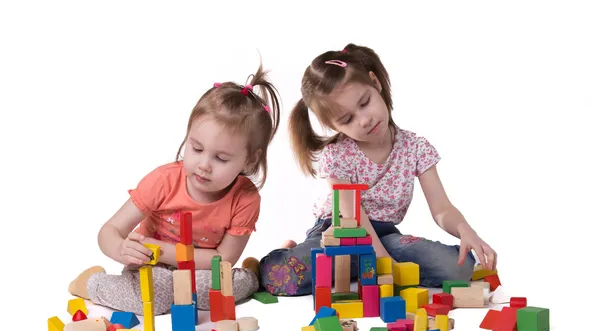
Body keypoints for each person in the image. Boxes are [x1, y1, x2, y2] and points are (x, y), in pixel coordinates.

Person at [258, 43, 496, 297]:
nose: (364, 119)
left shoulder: (416, 147)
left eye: (364, 102)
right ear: (332, 125)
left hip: (385, 237)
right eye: (347, 119)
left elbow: (442, 209)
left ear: (375, 83)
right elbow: (354, 216)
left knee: (458, 269)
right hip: (340, 234)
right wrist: (383, 266)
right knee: (281, 278)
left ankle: (356, 270)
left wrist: (464, 229)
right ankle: (288, 252)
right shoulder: (337, 155)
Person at [68, 63, 281, 315]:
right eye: (197, 149)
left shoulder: (245, 198)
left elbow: (224, 259)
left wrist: (164, 252)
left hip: (198, 270)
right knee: (155, 302)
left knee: (217, 294)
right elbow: (109, 231)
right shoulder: (163, 181)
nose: (204, 165)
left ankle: (250, 273)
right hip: (151, 266)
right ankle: (92, 283)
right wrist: (120, 249)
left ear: (249, 160)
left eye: (221, 158)